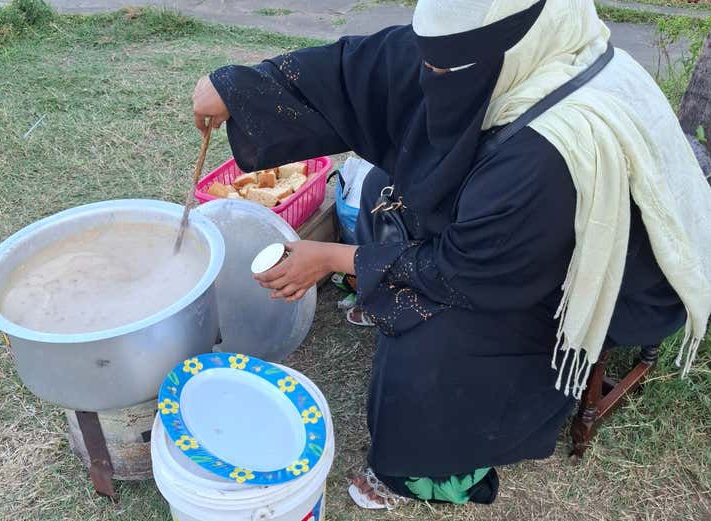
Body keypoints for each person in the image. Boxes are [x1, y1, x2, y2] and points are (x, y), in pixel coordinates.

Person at [192, 0, 711, 510]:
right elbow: (367, 67)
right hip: (514, 224)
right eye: (429, 58)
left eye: (445, 67)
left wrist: (329, 257)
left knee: (434, 342)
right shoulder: (510, 42)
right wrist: (238, 88)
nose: (429, 75)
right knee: (380, 187)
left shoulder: (551, 150)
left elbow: (461, 275)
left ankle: (429, 470)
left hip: (587, 272)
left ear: (505, 54)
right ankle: (379, 291)